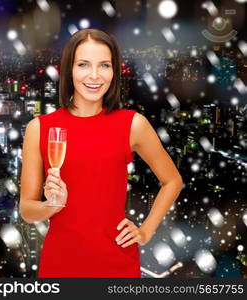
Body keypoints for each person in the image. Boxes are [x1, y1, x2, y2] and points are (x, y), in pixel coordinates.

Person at [20, 28, 183, 278]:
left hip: (117, 262)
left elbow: (172, 181)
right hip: (61, 263)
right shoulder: (40, 128)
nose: (95, 76)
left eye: (104, 65)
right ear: (69, 70)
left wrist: (146, 231)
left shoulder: (132, 124)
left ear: (114, 72)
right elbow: (27, 210)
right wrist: (53, 205)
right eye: (83, 64)